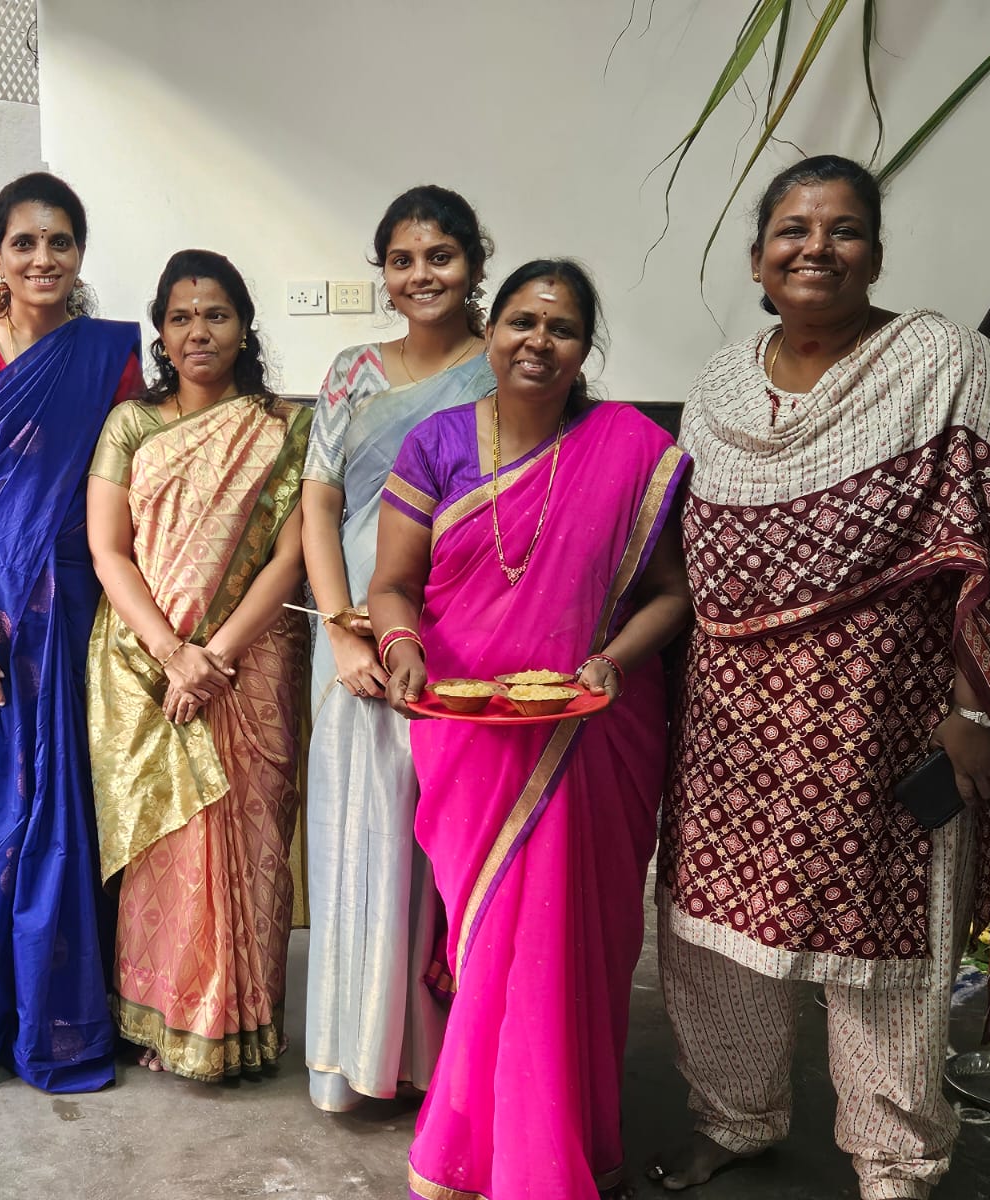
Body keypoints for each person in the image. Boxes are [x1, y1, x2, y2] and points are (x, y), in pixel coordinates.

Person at [649, 155, 990, 1200]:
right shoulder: (719, 386)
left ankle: (894, 1164)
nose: (816, 249)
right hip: (731, 729)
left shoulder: (945, 366)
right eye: (792, 230)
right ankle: (734, 1118)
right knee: (718, 943)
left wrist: (973, 709)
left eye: (843, 230)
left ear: (875, 253)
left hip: (885, 720)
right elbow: (686, 556)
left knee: (887, 956)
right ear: (757, 259)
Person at [370, 260, 692, 1199]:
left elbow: (671, 594)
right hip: (470, 729)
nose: (538, 342)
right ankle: (483, 1144)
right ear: (491, 328)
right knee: (491, 946)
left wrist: (612, 662)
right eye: (521, 321)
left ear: (586, 347)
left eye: (562, 328)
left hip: (590, 732)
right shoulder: (436, 445)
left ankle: (556, 1150)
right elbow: (392, 585)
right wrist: (401, 649)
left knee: (569, 947)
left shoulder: (629, 448)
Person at [0, 172, 141, 1092]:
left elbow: (126, 479)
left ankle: (66, 1022)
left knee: (69, 808)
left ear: (80, 254)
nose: (42, 258)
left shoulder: (110, 352)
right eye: (24, 243)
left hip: (78, 602)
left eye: (60, 242)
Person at [85, 249, 312, 1082]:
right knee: (170, 838)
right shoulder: (132, 425)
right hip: (148, 662)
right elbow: (109, 551)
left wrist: (215, 654)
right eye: (180, 317)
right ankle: (169, 1019)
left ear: (244, 326)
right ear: (161, 332)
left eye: (216, 314)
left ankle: (246, 1026)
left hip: (252, 660)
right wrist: (175, 654)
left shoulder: (284, 426)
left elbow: (291, 557)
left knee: (253, 834)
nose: (199, 331)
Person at [300, 185, 495, 1112]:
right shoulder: (352, 372)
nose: (422, 275)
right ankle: (360, 1055)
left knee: (447, 842)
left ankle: (444, 1060)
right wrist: (341, 630)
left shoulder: (504, 367)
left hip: (462, 628)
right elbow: (321, 503)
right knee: (360, 831)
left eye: (441, 256)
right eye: (403, 259)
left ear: (474, 264)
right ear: (383, 271)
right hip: (354, 632)